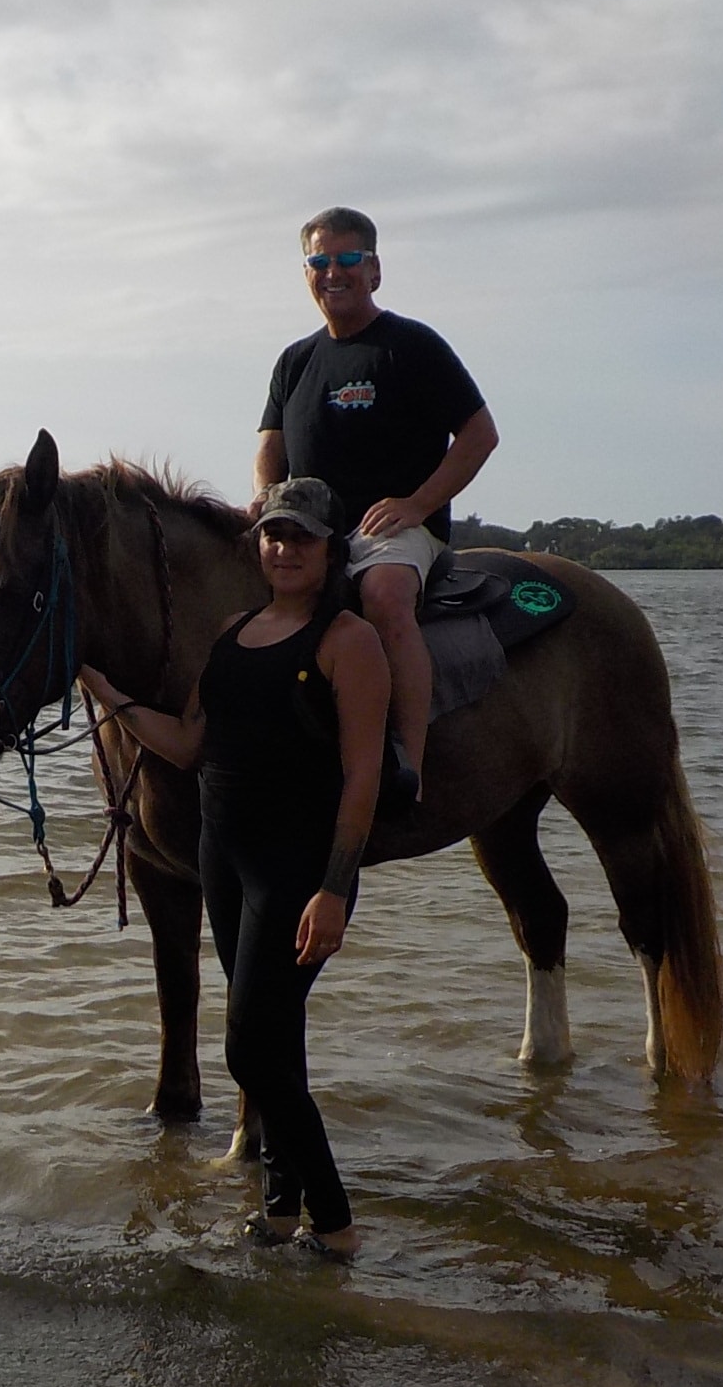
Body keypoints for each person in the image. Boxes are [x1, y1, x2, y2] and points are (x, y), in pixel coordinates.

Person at [81, 478, 389, 1256]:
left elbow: (362, 778)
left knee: (248, 1047)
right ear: (258, 547)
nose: (284, 550)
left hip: (294, 868)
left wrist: (336, 888)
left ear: (329, 550)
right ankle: (281, 1211)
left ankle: (338, 1223)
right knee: (274, 1041)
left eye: (302, 539)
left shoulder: (348, 641)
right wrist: (109, 693)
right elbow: (187, 745)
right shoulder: (231, 632)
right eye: (274, 536)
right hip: (223, 855)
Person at [253, 207, 498, 803]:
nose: (333, 272)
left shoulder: (411, 346)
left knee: (384, 595)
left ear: (375, 270)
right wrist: (264, 505)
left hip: (393, 532)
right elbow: (270, 450)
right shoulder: (295, 361)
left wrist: (417, 504)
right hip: (311, 529)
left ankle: (403, 766)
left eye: (347, 260)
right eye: (320, 261)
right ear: (306, 272)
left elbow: (480, 434)